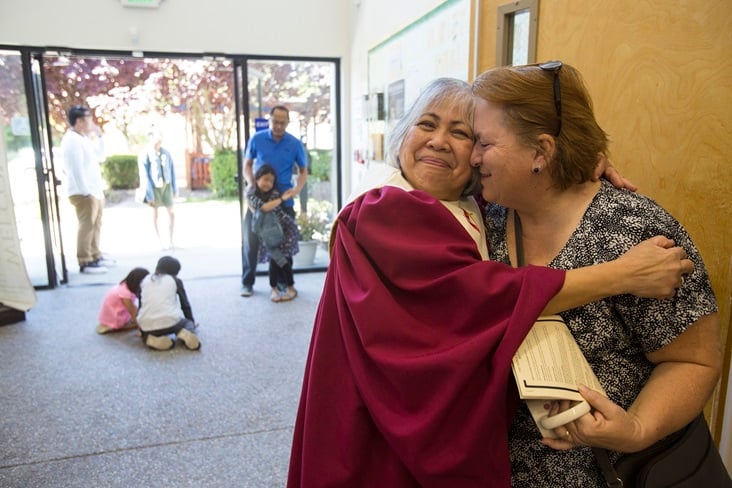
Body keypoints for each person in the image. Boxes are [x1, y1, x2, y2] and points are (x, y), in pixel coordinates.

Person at [287, 78, 693, 487]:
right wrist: (620, 274)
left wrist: (582, 163)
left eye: (463, 134)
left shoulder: (479, 207)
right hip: (378, 428)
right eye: (426, 124)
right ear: (402, 134)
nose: (439, 141)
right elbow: (479, 295)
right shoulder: (385, 209)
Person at [471, 62, 721, 487]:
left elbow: (693, 359)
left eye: (484, 143)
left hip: (609, 472)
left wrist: (636, 427)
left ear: (541, 152)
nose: (472, 157)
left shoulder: (633, 231)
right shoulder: (482, 219)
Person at [241, 105, 308, 297]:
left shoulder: (294, 144)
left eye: (283, 122)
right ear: (269, 120)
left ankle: (283, 283)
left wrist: (296, 189)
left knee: (283, 245)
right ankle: (247, 282)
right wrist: (251, 183)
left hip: (283, 202)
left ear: (287, 122)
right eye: (275, 122)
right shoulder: (257, 139)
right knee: (251, 242)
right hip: (258, 201)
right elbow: (247, 164)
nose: (279, 126)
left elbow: (303, 170)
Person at [60, 105, 112, 274]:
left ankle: (95, 255)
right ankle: (85, 261)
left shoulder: (82, 138)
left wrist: (99, 136)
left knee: (96, 224)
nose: (91, 121)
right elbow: (75, 169)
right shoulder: (71, 140)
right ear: (80, 121)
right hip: (83, 192)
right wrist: (85, 192)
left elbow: (100, 155)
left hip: (94, 190)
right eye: (88, 118)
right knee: (87, 225)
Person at [247, 164, 299, 302]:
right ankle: (277, 288)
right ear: (257, 179)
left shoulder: (274, 193)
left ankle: (288, 288)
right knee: (275, 260)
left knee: (283, 260)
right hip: (268, 233)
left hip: (285, 229)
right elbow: (264, 208)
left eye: (271, 181)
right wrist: (282, 199)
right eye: (265, 179)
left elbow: (263, 209)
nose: (268, 184)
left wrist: (279, 199)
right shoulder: (251, 194)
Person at [137, 256, 201, 351]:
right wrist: (191, 321)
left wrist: (141, 329)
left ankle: (149, 338)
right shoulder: (175, 280)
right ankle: (185, 333)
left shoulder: (143, 281)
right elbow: (185, 304)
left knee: (147, 333)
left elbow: (141, 305)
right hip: (171, 322)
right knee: (186, 323)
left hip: (147, 324)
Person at [139, 130, 177, 250]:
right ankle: (159, 241)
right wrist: (149, 194)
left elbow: (172, 171)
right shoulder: (146, 153)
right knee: (155, 214)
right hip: (154, 187)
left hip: (166, 185)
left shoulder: (166, 153)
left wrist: (174, 189)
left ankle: (171, 241)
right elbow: (144, 175)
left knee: (171, 213)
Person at [96, 267, 150, 334]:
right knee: (144, 321)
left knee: (139, 313)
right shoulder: (125, 294)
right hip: (115, 319)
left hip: (107, 317)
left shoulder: (123, 285)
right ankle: (118, 327)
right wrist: (142, 330)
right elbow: (132, 312)